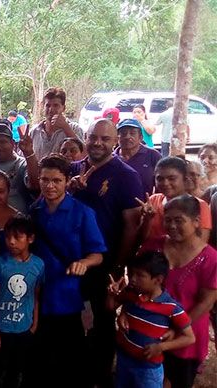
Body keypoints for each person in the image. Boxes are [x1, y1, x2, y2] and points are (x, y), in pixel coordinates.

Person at [69, 118, 144, 388]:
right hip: (69, 262)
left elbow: (132, 226)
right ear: (85, 138)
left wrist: (118, 266)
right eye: (93, 137)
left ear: (114, 142)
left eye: (105, 139)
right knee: (74, 318)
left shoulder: (126, 176)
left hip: (104, 264)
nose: (98, 143)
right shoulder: (74, 169)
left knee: (100, 321)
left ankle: (99, 376)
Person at [31, 155, 106, 387]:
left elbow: (98, 254)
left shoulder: (82, 212)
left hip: (70, 295)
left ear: (66, 182)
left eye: (56, 180)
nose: (50, 186)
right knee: (41, 355)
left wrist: (85, 262)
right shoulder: (35, 210)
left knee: (70, 355)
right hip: (39, 294)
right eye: (45, 180)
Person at [140, 195, 217, 388]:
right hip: (151, 327)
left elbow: (206, 302)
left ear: (196, 221)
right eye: (168, 220)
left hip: (186, 334)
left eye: (179, 220)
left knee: (179, 380)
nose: (172, 226)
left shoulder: (210, 258)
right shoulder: (153, 245)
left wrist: (177, 329)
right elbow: (138, 280)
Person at [107, 252, 195, 388]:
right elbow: (110, 307)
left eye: (140, 275)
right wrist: (111, 295)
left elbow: (189, 338)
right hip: (124, 359)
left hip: (148, 369)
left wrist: (161, 347)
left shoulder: (171, 307)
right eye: (132, 274)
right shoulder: (132, 293)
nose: (133, 279)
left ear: (158, 280)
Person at [0, 215, 44, 388]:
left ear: (30, 238)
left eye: (17, 237)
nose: (11, 242)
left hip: (24, 328)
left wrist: (34, 323)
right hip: (2, 328)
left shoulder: (38, 264)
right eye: (8, 237)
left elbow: (36, 295)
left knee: (18, 371)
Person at [138, 157, 211, 244]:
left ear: (185, 179)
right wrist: (147, 220)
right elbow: (141, 240)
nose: (165, 183)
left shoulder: (199, 205)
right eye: (160, 179)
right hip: (151, 255)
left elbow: (200, 245)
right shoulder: (153, 200)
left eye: (172, 178)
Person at [29, 87, 84, 159]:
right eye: (48, 105)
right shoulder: (34, 132)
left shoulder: (75, 128)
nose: (51, 109)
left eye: (56, 105)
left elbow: (84, 155)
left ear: (63, 108)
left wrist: (65, 127)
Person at [114, 119, 162, 195]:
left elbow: (162, 185)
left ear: (140, 137)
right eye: (123, 133)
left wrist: (155, 203)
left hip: (145, 205)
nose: (127, 137)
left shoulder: (153, 155)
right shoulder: (111, 157)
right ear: (117, 138)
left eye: (132, 133)